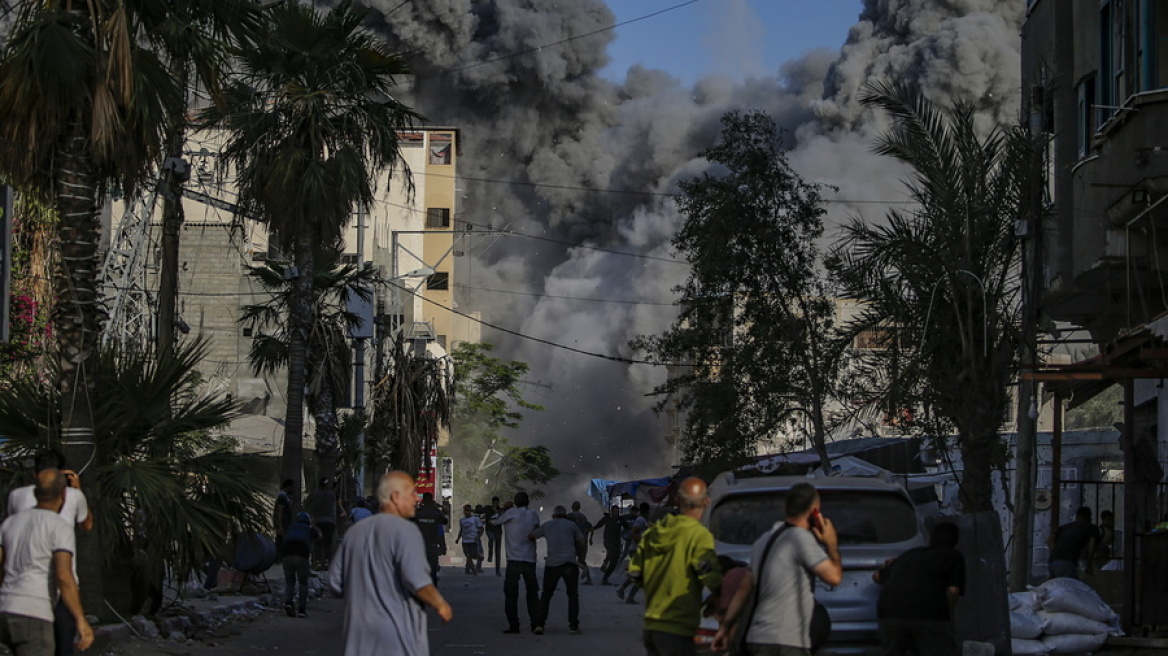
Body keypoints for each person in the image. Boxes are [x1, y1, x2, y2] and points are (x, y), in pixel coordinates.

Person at [327, 472, 452, 655]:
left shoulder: (355, 532)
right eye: (410, 494)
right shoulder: (406, 531)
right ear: (395, 497)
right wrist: (440, 604)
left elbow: (335, 583)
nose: (414, 499)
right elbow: (417, 581)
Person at [714, 482, 842, 656]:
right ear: (814, 512)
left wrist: (725, 627)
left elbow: (744, 590)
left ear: (786, 508)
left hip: (757, 638)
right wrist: (831, 544)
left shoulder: (763, 541)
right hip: (786, 641)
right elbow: (834, 577)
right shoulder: (800, 539)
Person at [0, 468, 95, 655]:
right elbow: (63, 576)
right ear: (63, 495)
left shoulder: (10, 523)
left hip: (5, 608)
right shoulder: (59, 527)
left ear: (35, 493)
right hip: (34, 613)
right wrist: (81, 620)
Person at [627, 477, 722, 656]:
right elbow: (712, 577)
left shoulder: (653, 534)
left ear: (677, 500)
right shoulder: (698, 535)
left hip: (652, 627)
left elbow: (635, 573)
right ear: (705, 502)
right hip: (680, 629)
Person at [872, 522, 965, 656]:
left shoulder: (911, 554)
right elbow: (953, 591)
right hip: (929, 615)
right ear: (956, 544)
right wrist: (945, 612)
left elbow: (877, 577)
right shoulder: (954, 556)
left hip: (889, 613)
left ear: (929, 540)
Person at [531, 505, 586, 635]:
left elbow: (531, 536)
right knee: (572, 596)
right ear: (565, 515)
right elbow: (582, 542)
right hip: (570, 563)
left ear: (553, 515)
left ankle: (539, 624)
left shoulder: (547, 525)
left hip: (552, 565)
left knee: (546, 595)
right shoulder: (572, 526)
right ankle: (573, 626)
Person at [492, 491, 541, 634]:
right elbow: (536, 530)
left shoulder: (510, 513)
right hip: (529, 559)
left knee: (511, 594)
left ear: (514, 502)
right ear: (528, 502)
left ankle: (514, 625)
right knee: (532, 593)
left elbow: (494, 521)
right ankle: (536, 624)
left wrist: (503, 509)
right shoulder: (533, 514)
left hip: (513, 560)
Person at [281, 512, 320, 618]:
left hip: (286, 555)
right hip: (301, 556)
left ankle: (288, 602)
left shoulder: (290, 528)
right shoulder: (309, 529)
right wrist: (313, 525)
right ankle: (301, 610)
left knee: (290, 581)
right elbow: (319, 536)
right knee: (303, 583)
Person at [1048, 506, 1099, 579]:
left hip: (1052, 562)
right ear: (1090, 517)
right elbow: (1092, 545)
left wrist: (1056, 553)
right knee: (1069, 588)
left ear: (1077, 516)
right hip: (1067, 563)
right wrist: (1089, 564)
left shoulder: (1065, 527)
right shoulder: (1091, 528)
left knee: (1057, 587)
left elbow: (1049, 540)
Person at [618, 502, 652, 603]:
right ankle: (629, 596)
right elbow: (633, 533)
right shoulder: (640, 520)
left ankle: (622, 589)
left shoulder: (643, 521)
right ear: (647, 511)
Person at [304, 478, 341, 570]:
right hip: (330, 521)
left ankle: (317, 562)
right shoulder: (332, 494)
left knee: (318, 543)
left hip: (318, 522)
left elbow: (310, 506)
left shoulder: (315, 495)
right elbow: (337, 502)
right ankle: (327, 561)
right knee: (328, 542)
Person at [413, 493, 448, 585]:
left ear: (423, 500)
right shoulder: (436, 513)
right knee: (432, 572)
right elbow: (445, 521)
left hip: (419, 546)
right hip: (432, 546)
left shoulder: (418, 513)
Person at [592, 505, 628, 585]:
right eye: (614, 512)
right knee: (612, 551)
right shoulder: (607, 518)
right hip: (608, 541)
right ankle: (605, 562)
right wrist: (592, 529)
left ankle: (605, 579)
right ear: (611, 511)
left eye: (617, 512)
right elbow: (599, 525)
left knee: (614, 562)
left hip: (616, 542)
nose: (615, 513)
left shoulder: (620, 519)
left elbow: (628, 527)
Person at [566, 501, 594, 585]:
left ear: (572, 507)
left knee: (571, 559)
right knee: (581, 560)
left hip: (574, 541)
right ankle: (588, 578)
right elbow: (591, 528)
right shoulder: (583, 517)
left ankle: (571, 578)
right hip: (583, 541)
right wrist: (590, 539)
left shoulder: (570, 516)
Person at [456, 504, 485, 575]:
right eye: (465, 511)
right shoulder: (462, 520)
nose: (466, 512)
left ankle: (475, 565)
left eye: (468, 511)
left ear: (470, 511)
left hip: (473, 541)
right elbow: (461, 530)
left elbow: (481, 529)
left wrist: (478, 537)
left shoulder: (475, 519)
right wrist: (458, 538)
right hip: (465, 541)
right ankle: (472, 571)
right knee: (468, 556)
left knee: (474, 555)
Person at [484, 496, 504, 577]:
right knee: (491, 539)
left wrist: (497, 512)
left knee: (498, 552)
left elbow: (502, 518)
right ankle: (490, 554)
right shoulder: (488, 508)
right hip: (490, 530)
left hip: (498, 531)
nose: (495, 504)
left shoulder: (501, 510)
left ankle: (497, 570)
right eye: (494, 502)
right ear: (492, 502)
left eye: (496, 502)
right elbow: (480, 510)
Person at [272, 478, 294, 547]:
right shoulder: (282, 497)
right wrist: (280, 526)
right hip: (283, 525)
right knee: (280, 543)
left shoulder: (286, 497)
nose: (293, 489)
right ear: (288, 487)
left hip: (285, 525)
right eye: (292, 487)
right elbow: (279, 511)